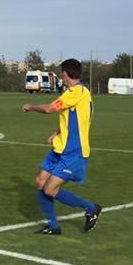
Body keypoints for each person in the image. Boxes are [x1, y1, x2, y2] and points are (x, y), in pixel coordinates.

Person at [22, 58, 102, 235]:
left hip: (74, 152)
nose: (61, 75)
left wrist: (31, 106)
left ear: (65, 73)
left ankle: (91, 208)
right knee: (40, 182)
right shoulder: (79, 93)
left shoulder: (76, 92)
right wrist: (57, 132)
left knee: (50, 189)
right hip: (61, 148)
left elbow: (50, 108)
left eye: (61, 72)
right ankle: (52, 226)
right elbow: (75, 119)